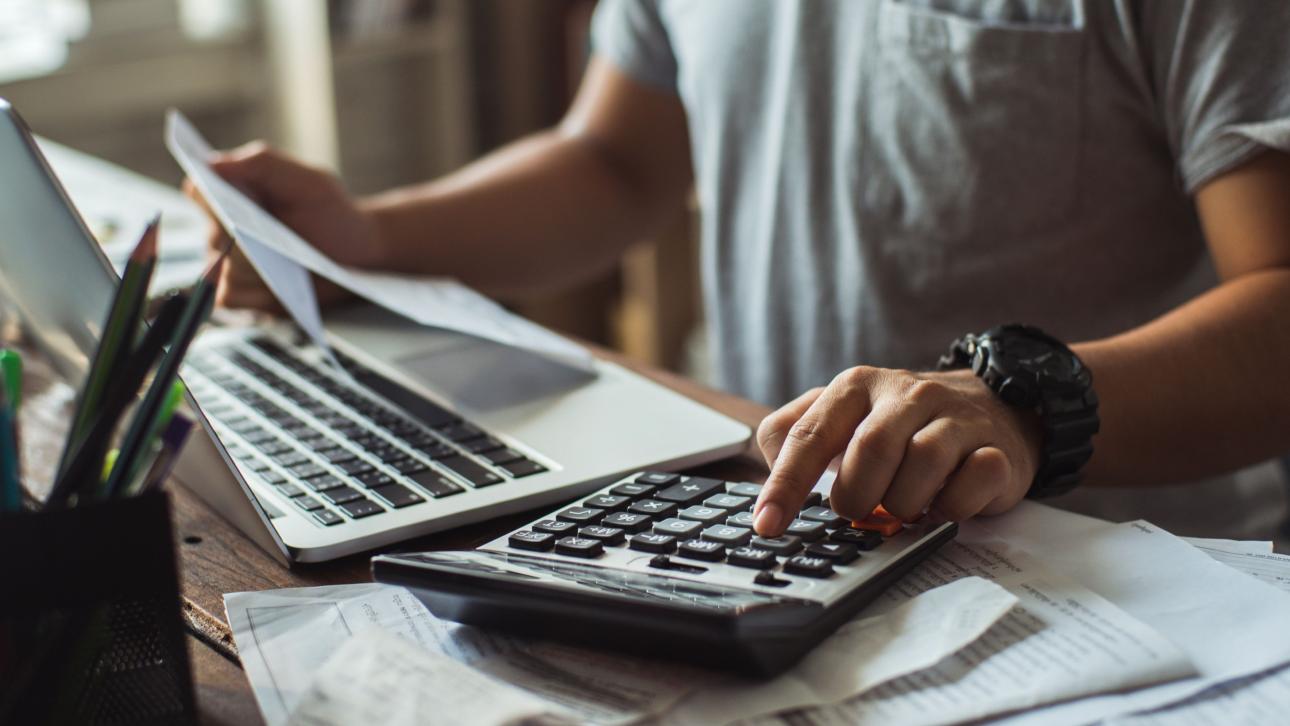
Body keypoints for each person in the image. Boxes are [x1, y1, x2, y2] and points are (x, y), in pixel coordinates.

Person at [191, 1, 1290, 542]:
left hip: (1115, 587)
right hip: (784, 541)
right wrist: (368, 240)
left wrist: (1021, 404)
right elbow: (617, 164)